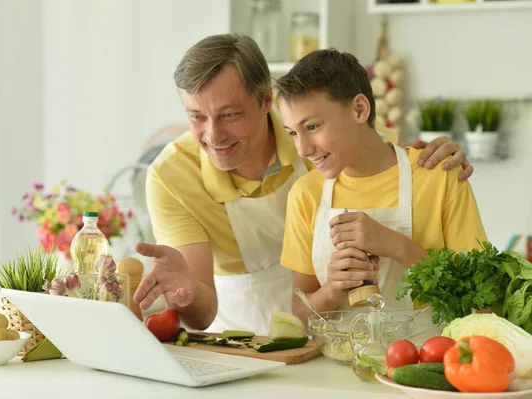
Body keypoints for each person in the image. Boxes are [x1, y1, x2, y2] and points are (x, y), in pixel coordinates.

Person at [132, 33, 475, 335]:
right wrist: (186, 290)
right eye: (196, 116)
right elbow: (201, 314)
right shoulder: (171, 176)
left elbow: (386, 161)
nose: (213, 135)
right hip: (237, 340)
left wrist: (434, 159)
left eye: (229, 115)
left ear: (266, 101)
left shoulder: (317, 127)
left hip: (336, 341)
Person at [276, 48, 487, 341]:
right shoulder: (305, 194)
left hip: (423, 367)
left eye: (312, 126)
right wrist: (332, 290)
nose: (303, 149)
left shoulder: (439, 177)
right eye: (293, 133)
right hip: (333, 373)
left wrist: (397, 246)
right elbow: (298, 316)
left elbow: (481, 304)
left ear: (359, 109)